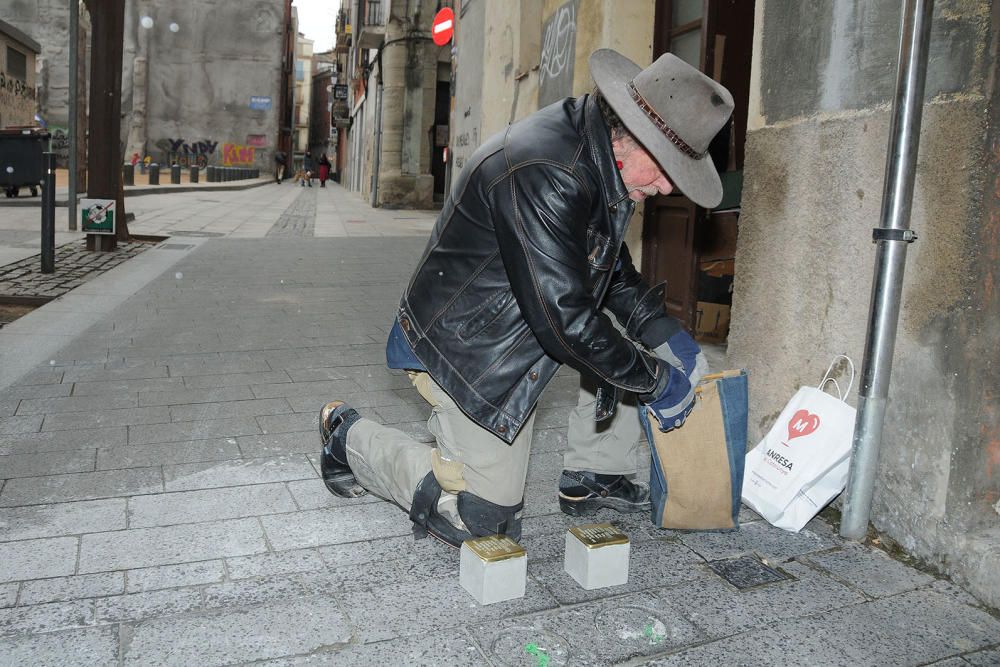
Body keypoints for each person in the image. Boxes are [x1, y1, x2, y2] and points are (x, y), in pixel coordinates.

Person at [317, 49, 734, 547]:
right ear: (629, 132)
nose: (667, 188)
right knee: (480, 520)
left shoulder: (600, 152)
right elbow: (565, 323)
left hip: (521, 327)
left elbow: (607, 265)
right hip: (466, 347)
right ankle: (346, 435)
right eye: (666, 169)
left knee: (619, 344)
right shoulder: (548, 169)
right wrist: (659, 382)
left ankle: (593, 474)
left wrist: (660, 329)